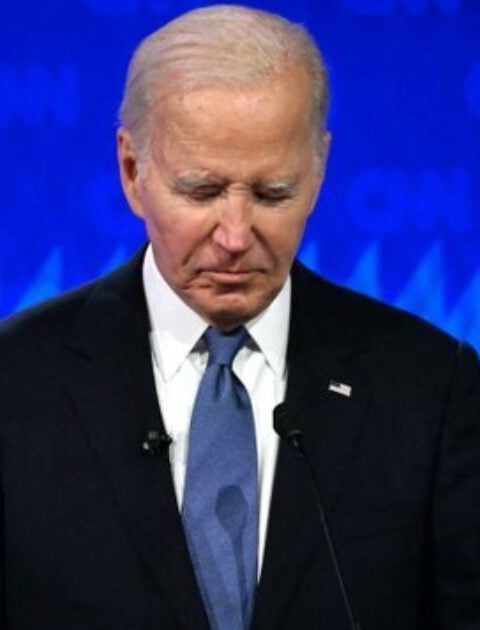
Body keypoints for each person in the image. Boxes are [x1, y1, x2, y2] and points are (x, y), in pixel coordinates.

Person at [0, 5, 479, 629]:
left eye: (272, 193)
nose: (234, 236)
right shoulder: (15, 381)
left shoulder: (430, 386)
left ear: (319, 171)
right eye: (201, 191)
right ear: (132, 171)